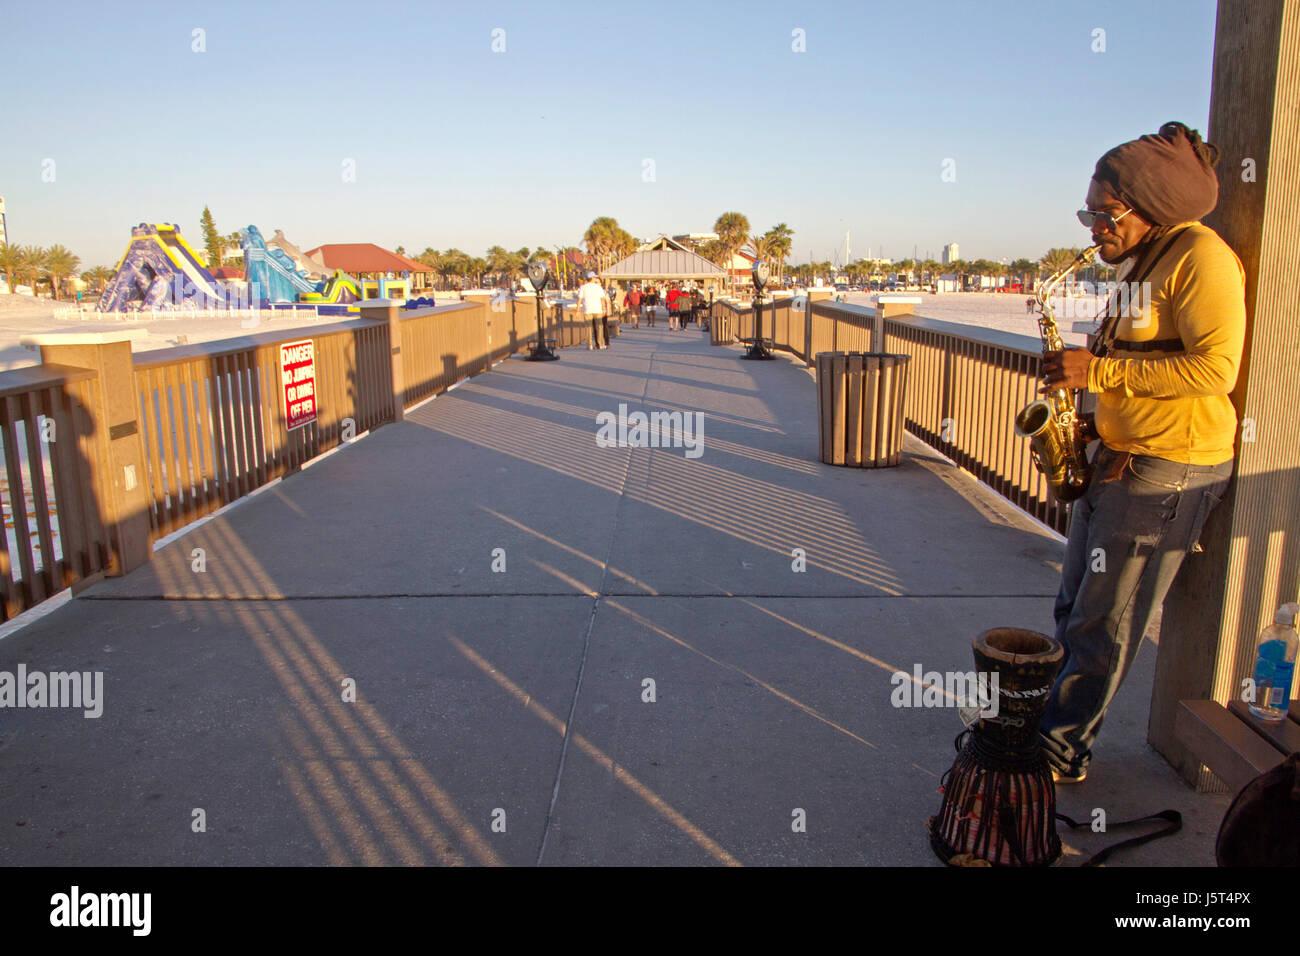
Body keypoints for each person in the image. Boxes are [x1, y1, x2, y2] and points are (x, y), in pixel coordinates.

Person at [1036, 122, 1246, 783]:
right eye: (1089, 213)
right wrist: (1091, 426)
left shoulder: (1202, 259)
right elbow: (1140, 355)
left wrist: (1095, 375)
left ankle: (1060, 752)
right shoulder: (1144, 261)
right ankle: (1051, 727)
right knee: (1074, 609)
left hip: (1168, 467)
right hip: (1120, 456)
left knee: (1105, 621)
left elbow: (1216, 370)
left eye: (1103, 214)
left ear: (1148, 205)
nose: (1093, 227)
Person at [576, 271, 610, 349]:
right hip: (597, 309)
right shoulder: (598, 287)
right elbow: (602, 298)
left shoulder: (583, 287)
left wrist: (577, 310)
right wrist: (603, 308)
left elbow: (579, 299)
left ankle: (589, 345)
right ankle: (600, 343)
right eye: (594, 277)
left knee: (588, 327)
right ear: (592, 278)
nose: (595, 279)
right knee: (599, 326)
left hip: (587, 309)